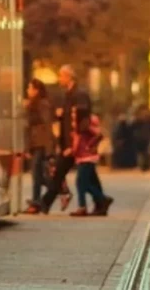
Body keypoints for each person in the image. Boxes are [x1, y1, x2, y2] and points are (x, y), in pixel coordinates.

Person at [40, 65, 93, 214]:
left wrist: (73, 143)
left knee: (60, 172)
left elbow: (79, 119)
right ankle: (101, 200)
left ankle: (45, 202)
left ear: (69, 77)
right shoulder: (69, 94)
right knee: (62, 172)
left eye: (61, 76)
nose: (59, 79)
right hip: (68, 142)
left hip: (75, 142)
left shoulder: (79, 94)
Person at [71, 114, 111, 216]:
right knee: (88, 182)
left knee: (81, 183)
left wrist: (90, 146)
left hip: (87, 157)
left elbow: (99, 135)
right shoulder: (78, 120)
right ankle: (99, 201)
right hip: (82, 157)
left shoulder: (87, 122)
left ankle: (99, 200)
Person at [23, 79, 54, 213]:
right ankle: (58, 188)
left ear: (37, 90)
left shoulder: (42, 104)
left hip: (41, 143)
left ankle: (36, 202)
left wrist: (49, 147)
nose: (27, 91)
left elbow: (47, 125)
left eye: (30, 88)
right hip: (34, 143)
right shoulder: (32, 105)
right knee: (37, 174)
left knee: (36, 173)